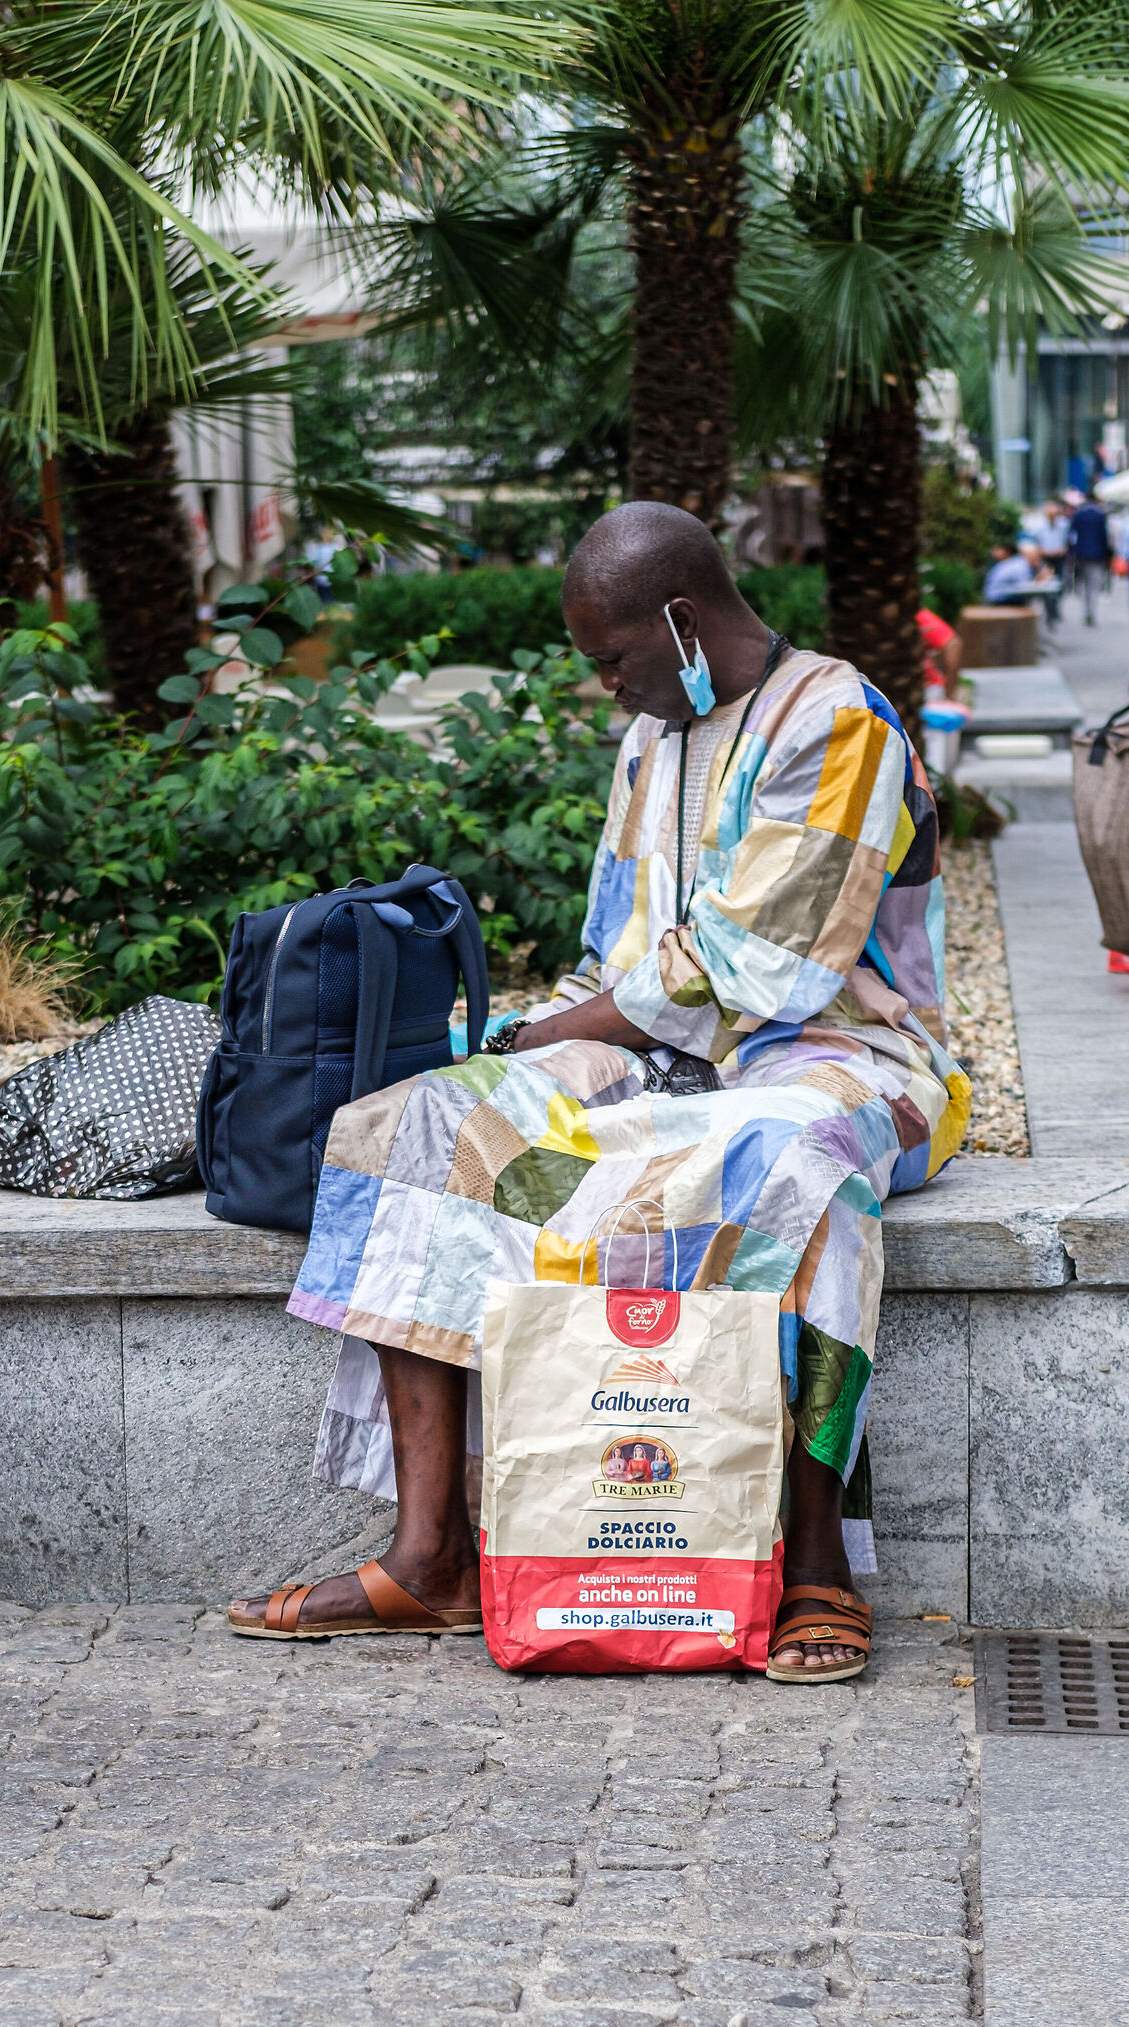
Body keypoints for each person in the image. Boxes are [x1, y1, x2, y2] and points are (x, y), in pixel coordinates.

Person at [230, 502, 970, 1684]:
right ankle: (430, 1559)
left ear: (681, 621)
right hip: (666, 1048)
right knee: (411, 1120)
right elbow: (615, 954)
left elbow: (755, 971)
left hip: (839, 1048)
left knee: (795, 1156)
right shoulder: (650, 737)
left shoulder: (839, 720)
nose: (606, 687)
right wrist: (502, 1048)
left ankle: (814, 1557)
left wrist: (549, 1034)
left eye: (612, 658)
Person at [1068, 492, 1111, 625]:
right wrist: (1107, 554)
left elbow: (1071, 535)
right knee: (1093, 584)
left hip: (1081, 554)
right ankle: (1091, 611)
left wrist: (1072, 551)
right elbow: (1104, 535)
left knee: (1084, 584)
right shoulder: (1100, 515)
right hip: (1096, 555)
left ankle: (1086, 610)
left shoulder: (1078, 514)